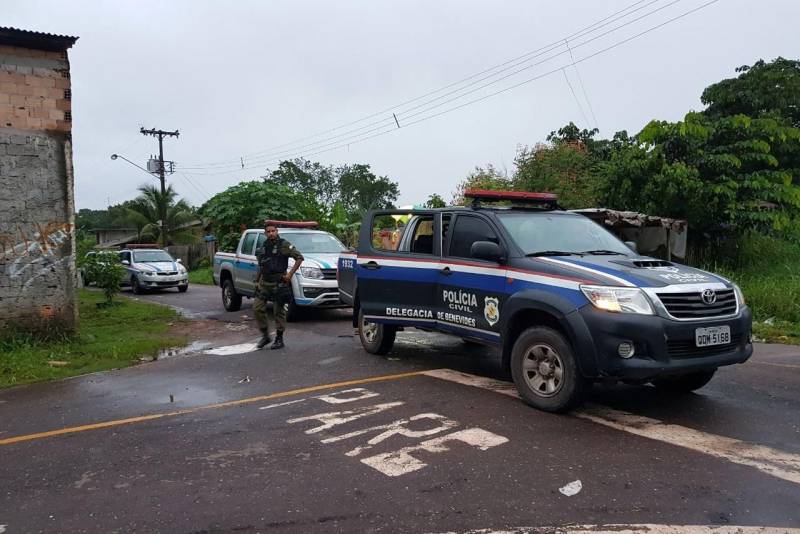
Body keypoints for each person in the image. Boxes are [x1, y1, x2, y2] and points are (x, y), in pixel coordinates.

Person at [253, 221, 304, 350]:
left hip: (279, 283)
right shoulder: (263, 247)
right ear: (265, 233)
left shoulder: (284, 245)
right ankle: (265, 336)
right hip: (265, 283)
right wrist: (257, 281)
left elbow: (299, 258)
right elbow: (261, 265)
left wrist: (290, 275)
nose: (271, 233)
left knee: (278, 312)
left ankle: (279, 338)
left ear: (277, 231)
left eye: (273, 231)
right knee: (257, 308)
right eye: (268, 232)